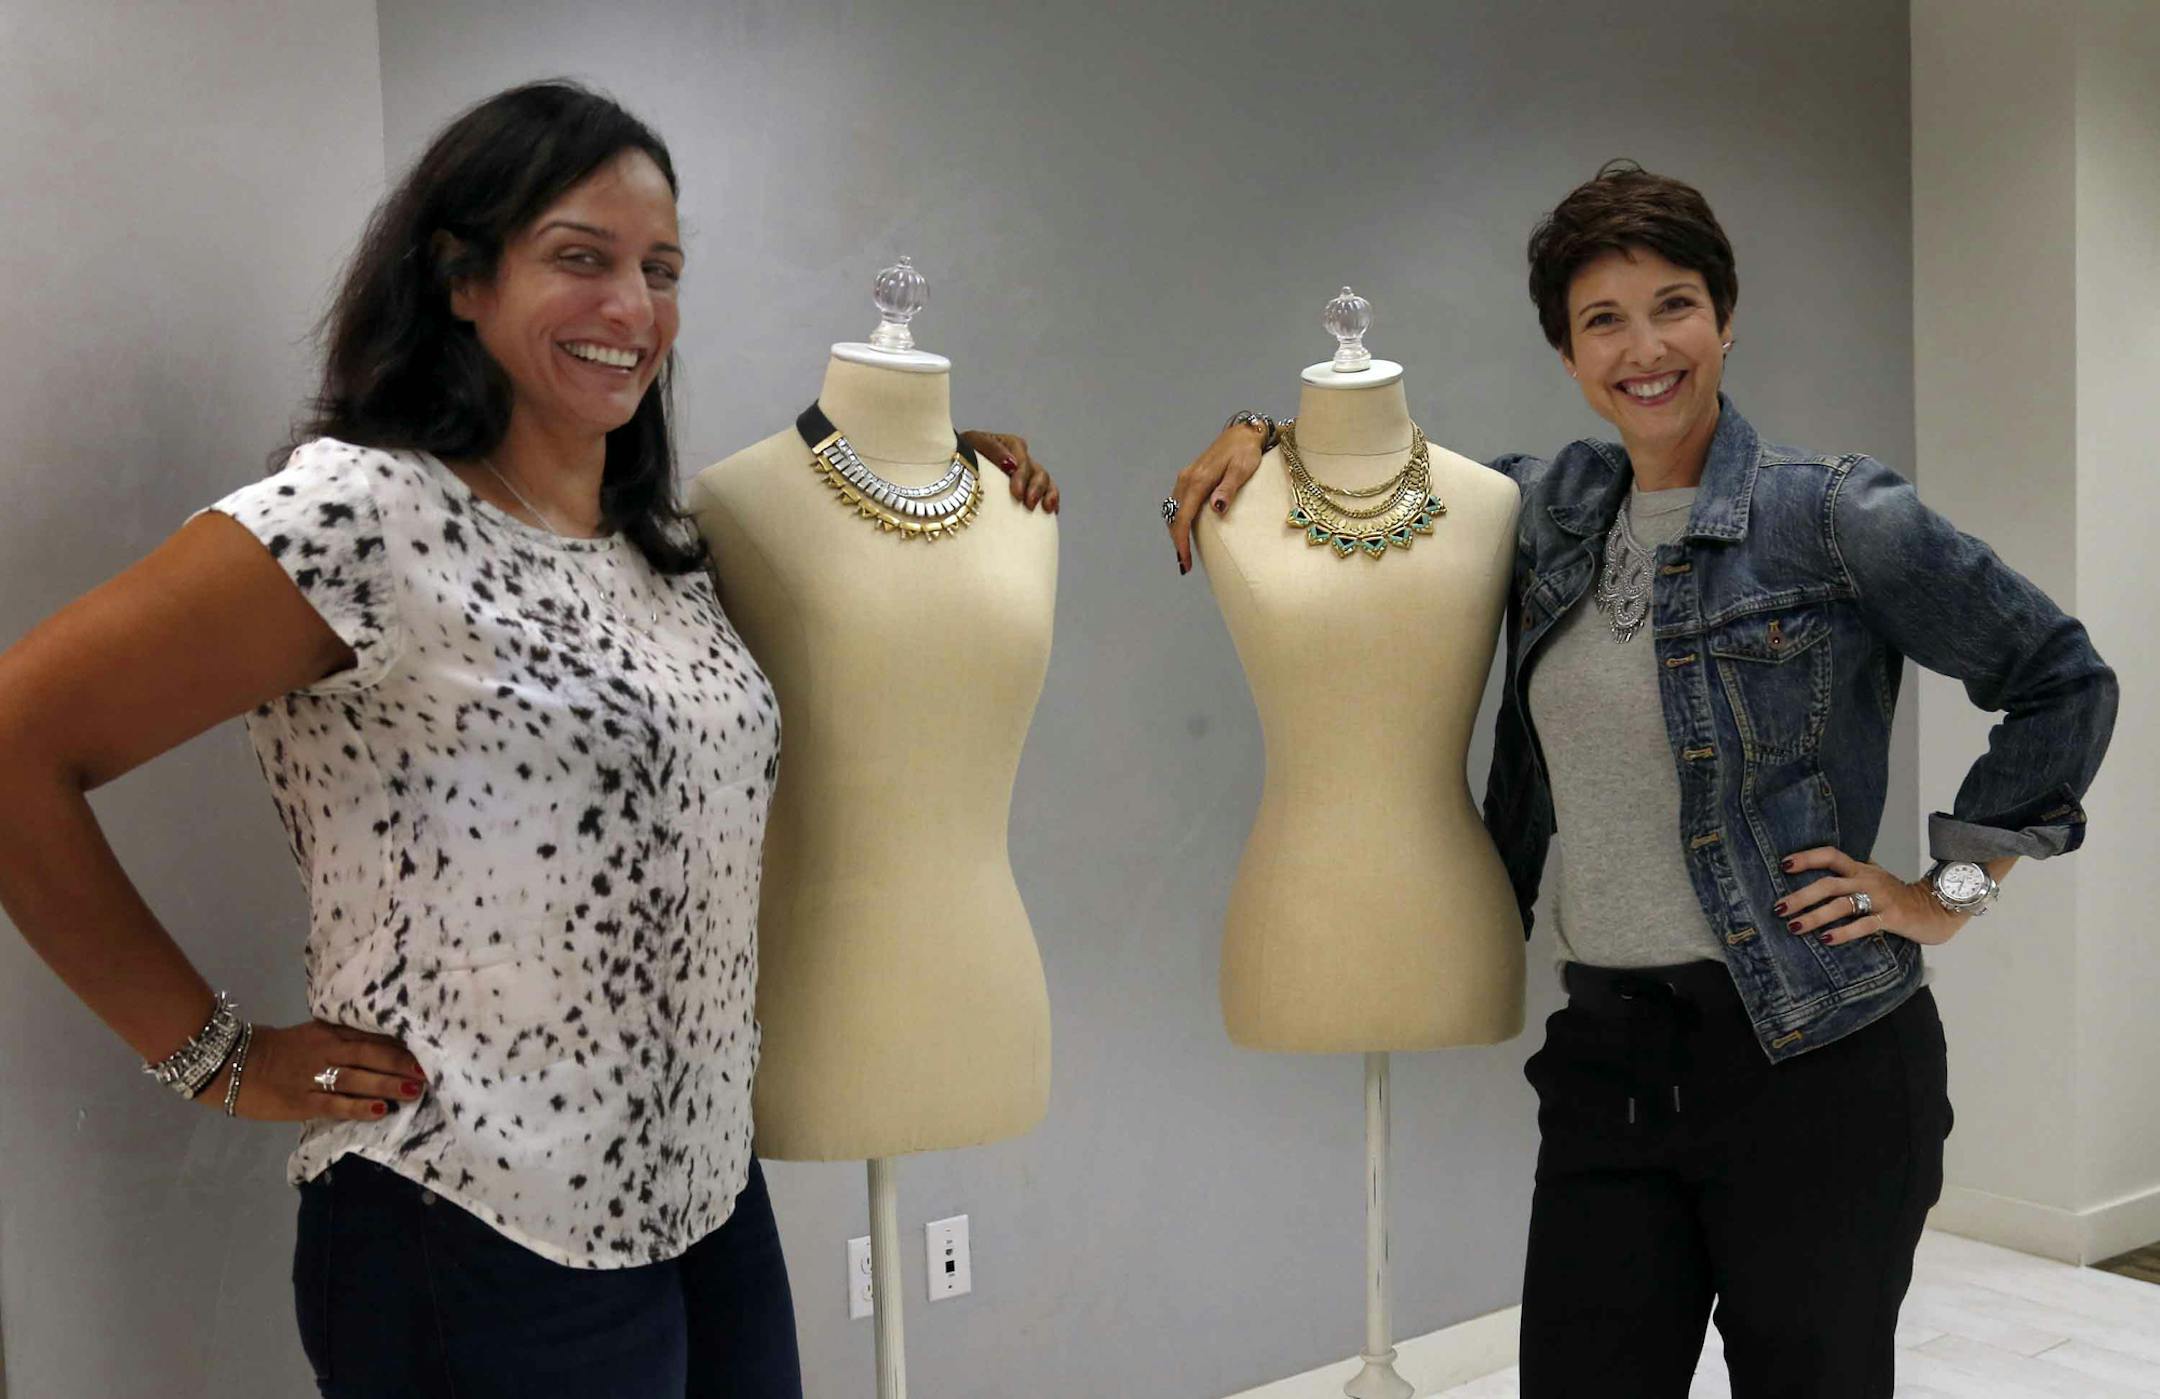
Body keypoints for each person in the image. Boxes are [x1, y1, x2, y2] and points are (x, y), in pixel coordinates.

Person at [0, 80, 1056, 1399]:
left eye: (660, 270)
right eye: (581, 257)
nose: (633, 309)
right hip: (471, 1218)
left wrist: (939, 464)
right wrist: (216, 1057)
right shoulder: (363, 518)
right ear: (462, 279)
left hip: (707, 1197)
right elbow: (18, 742)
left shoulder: (660, 549)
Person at [1161, 160, 2116, 1397]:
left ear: (1725, 316)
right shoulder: (1544, 515)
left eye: (1674, 305)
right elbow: (1387, 475)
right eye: (1602, 320)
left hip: (1815, 1064)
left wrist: (1951, 890)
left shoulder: (1834, 515)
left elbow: (2061, 677)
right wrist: (1265, 430)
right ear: (1568, 354)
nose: (1644, 348)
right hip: (1607, 1060)